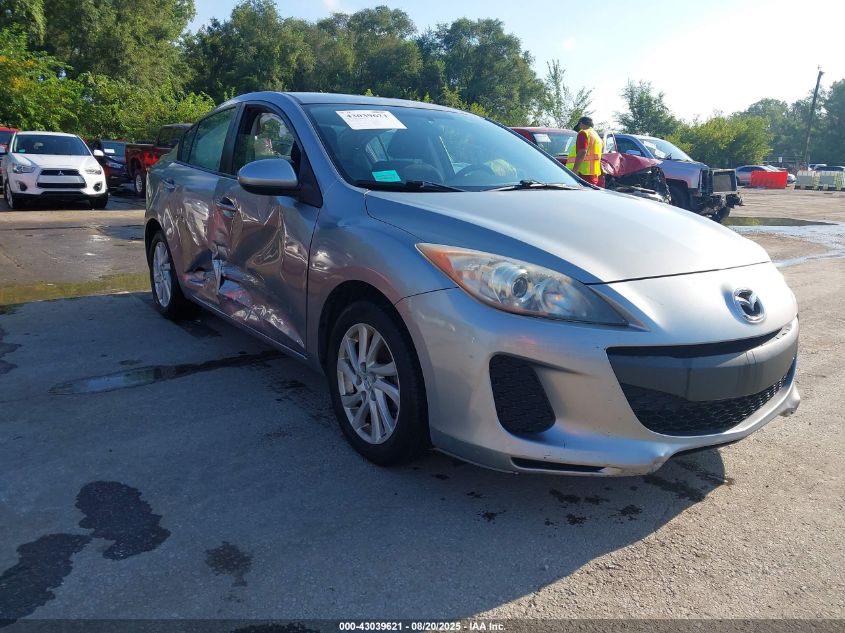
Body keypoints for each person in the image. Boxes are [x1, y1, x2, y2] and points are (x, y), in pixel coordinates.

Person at [566, 116, 603, 186]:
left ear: (581, 124)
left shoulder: (583, 133)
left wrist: (574, 171)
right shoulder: (596, 136)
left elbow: (582, 152)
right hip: (593, 173)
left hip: (582, 173)